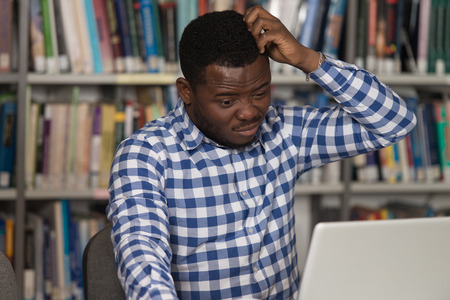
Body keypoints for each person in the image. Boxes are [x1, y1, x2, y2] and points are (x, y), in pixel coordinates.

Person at [106, 5, 416, 299]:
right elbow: (142, 260)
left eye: (259, 93)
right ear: (186, 92)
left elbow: (394, 122)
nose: (249, 113)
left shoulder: (284, 131)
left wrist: (308, 59)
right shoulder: (145, 155)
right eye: (227, 101)